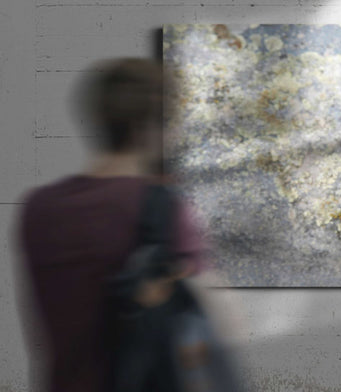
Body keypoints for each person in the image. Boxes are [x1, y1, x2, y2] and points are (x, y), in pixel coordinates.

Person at [15, 58, 204, 392]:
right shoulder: (162, 206)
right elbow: (210, 331)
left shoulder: (38, 208)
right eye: (173, 122)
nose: (178, 134)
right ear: (147, 128)